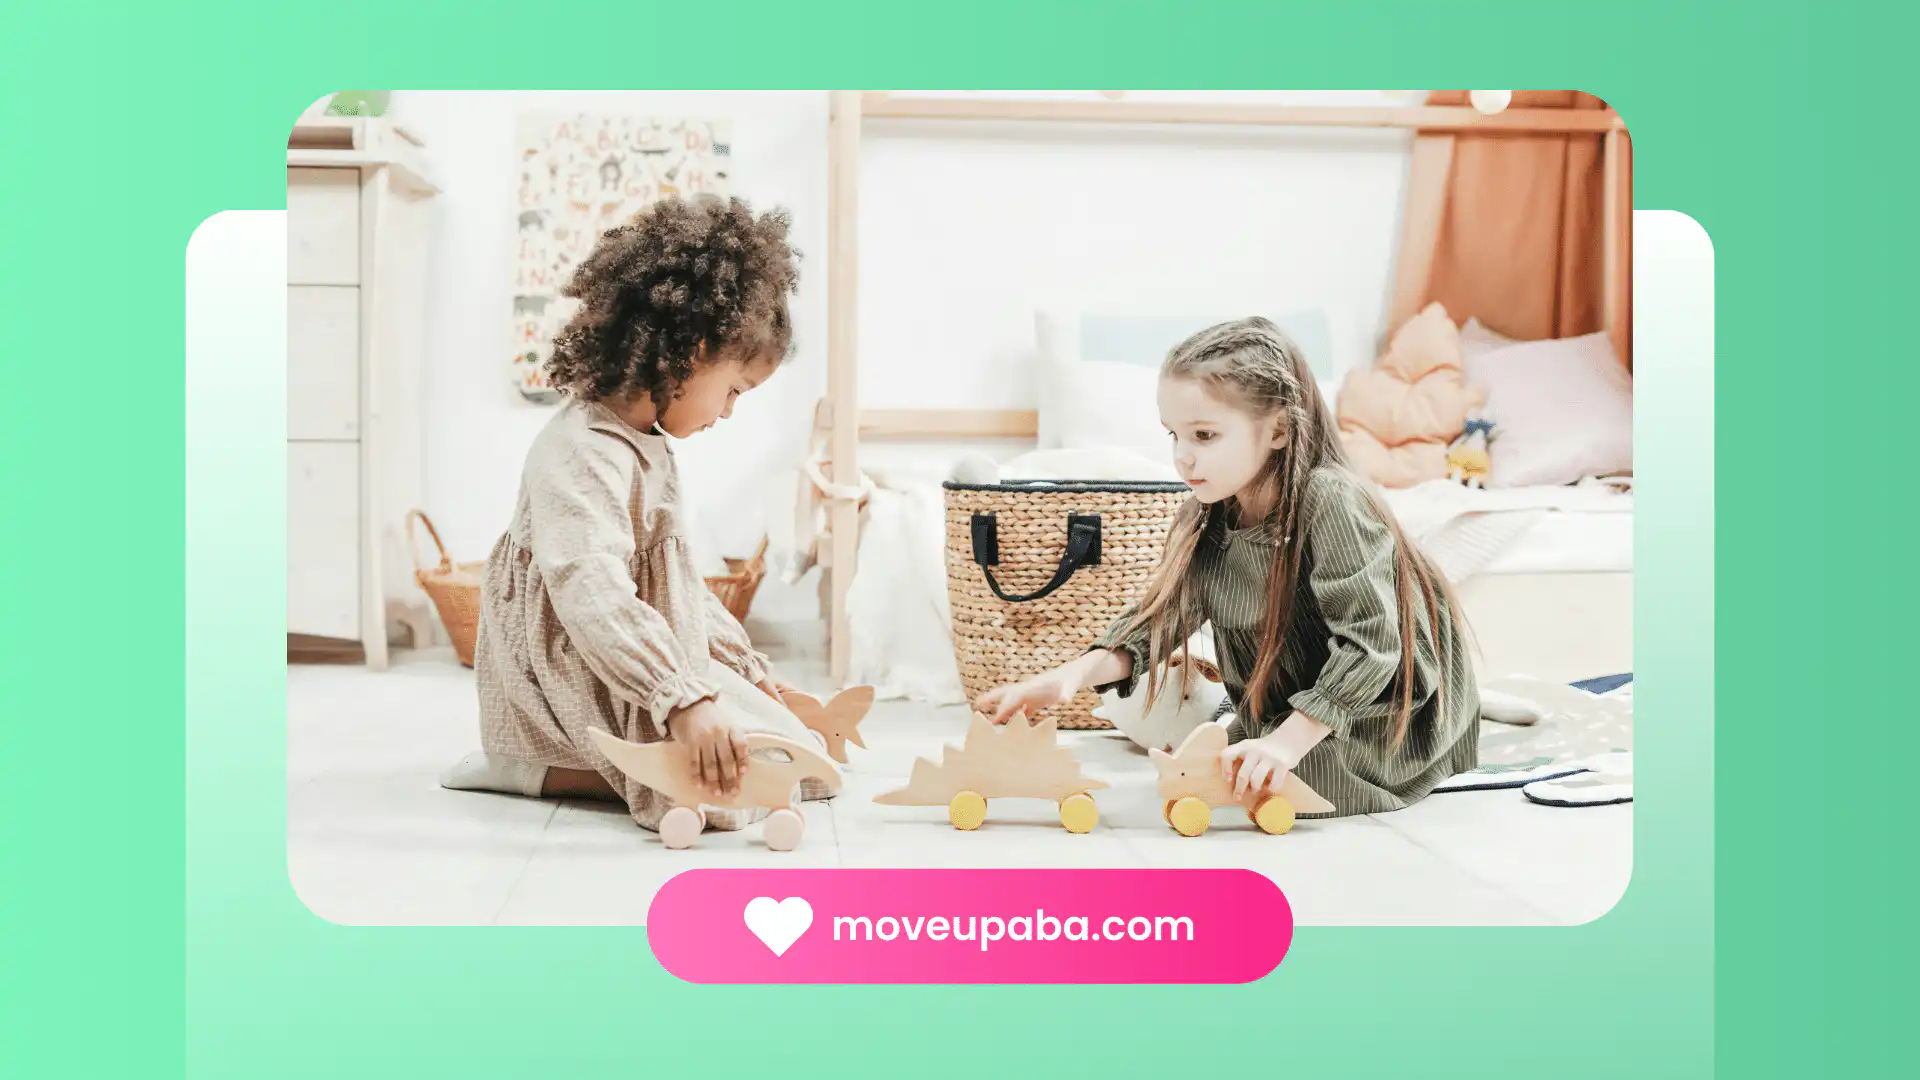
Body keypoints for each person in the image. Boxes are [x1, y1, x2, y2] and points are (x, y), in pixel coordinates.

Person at [977, 318, 1479, 816]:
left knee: (1283, 782)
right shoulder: (1209, 512)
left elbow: (1372, 647)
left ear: (1279, 429)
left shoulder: (1331, 499)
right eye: (1173, 435)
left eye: (1204, 435)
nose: (1182, 458)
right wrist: (1067, 678)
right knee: (1213, 761)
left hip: (1381, 707)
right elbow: (1159, 622)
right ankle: (1261, 727)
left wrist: (1285, 745)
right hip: (1293, 698)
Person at [440, 195, 825, 833]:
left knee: (800, 763)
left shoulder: (648, 441)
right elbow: (592, 593)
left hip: (635, 666)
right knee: (726, 795)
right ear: (693, 352)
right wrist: (681, 698)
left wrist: (748, 670)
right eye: (733, 390)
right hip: (570, 672)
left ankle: (614, 759)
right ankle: (528, 765)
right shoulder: (580, 451)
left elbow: (682, 592)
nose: (728, 412)